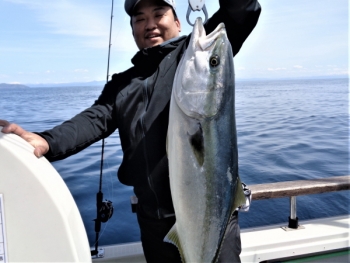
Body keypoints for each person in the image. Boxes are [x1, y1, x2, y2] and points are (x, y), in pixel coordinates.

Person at [0, 0, 261, 262]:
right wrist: (47, 141)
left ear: (178, 22)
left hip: (212, 218)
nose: (150, 24)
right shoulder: (122, 84)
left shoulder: (193, 59)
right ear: (133, 29)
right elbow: (92, 120)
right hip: (153, 225)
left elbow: (241, 12)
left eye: (159, 14)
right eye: (140, 19)